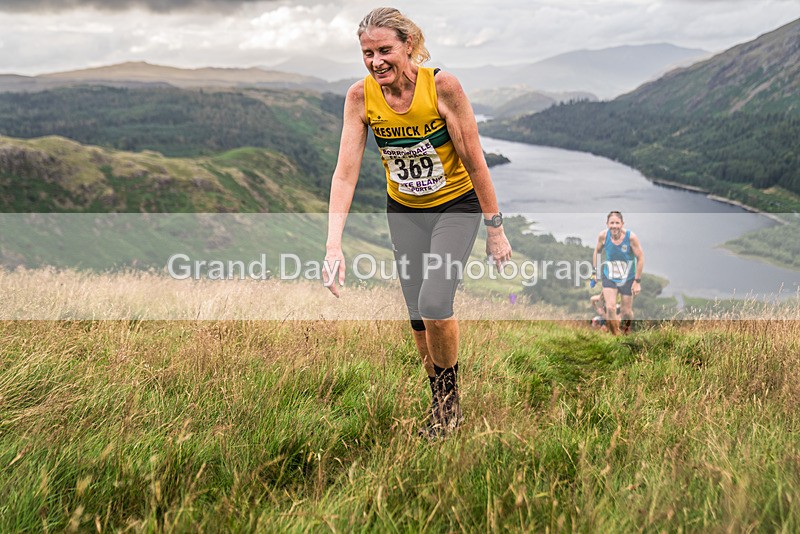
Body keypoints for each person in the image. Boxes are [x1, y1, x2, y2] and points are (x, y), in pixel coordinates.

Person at [323, 7, 512, 439]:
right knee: (416, 318)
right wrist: (334, 246)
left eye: (384, 50)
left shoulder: (442, 86)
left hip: (455, 206)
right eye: (367, 53)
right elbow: (345, 173)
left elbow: (475, 160)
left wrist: (495, 227)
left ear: (409, 44)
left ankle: (448, 410)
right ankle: (441, 403)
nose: (376, 62)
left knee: (434, 302)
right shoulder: (360, 97)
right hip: (404, 211)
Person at [592, 211, 644, 335]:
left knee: (626, 311)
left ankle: (626, 327)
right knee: (610, 307)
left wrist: (637, 282)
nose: (614, 226)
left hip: (628, 278)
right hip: (609, 276)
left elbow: (640, 258)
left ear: (622, 224)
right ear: (607, 224)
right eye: (612, 223)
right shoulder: (603, 236)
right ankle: (615, 335)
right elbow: (597, 252)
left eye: (617, 223)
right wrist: (595, 272)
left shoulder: (631, 237)